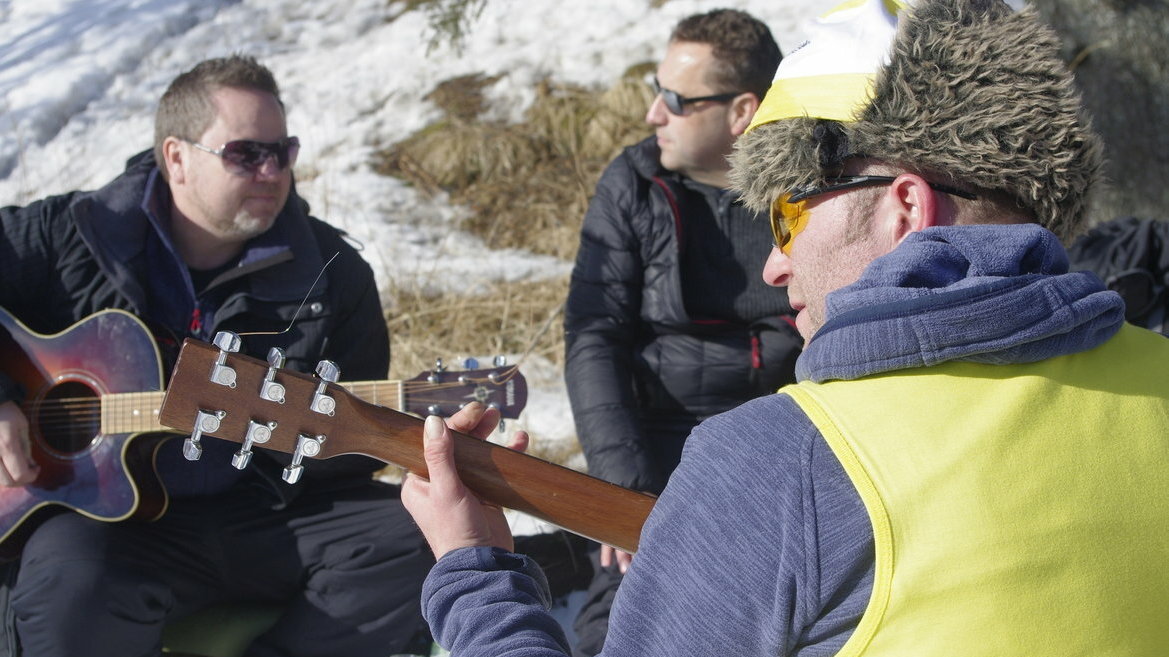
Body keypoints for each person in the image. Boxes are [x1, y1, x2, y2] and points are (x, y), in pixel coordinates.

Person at [401, 1, 1169, 655]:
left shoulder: (781, 466)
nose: (773, 265)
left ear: (904, 206)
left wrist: (473, 567)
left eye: (789, 212)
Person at [0, 55, 432, 656]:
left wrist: (341, 433)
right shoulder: (71, 235)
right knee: (70, 586)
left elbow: (349, 457)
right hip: (109, 524)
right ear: (176, 158)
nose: (272, 171)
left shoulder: (335, 274)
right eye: (245, 154)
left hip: (264, 514)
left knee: (425, 538)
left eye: (284, 151)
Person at [563, 10, 797, 653]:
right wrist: (620, 483)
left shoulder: (811, 193)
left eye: (675, 99)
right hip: (660, 447)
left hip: (784, 443)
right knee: (622, 625)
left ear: (741, 111)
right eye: (656, 90)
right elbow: (593, 335)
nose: (652, 114)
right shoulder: (633, 184)